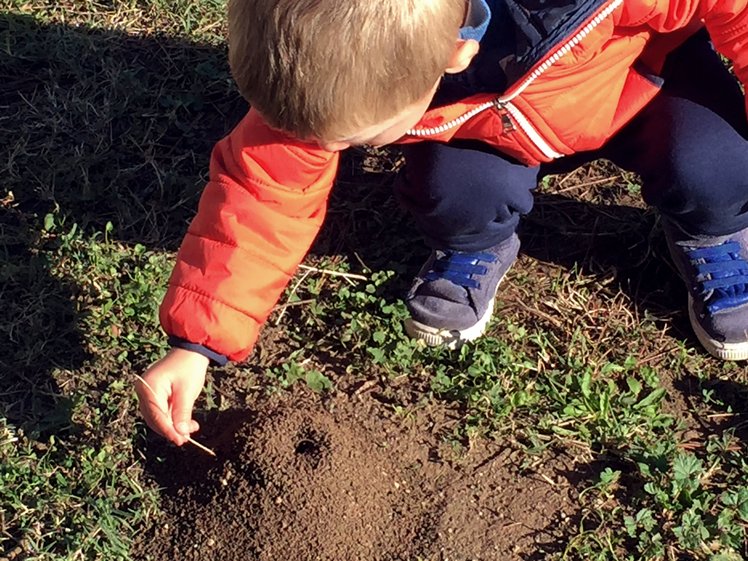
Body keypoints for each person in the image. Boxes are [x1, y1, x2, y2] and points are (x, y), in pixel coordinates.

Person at [135, 0, 748, 446]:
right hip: (485, 129)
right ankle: (476, 243)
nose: (341, 154)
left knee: (718, 168)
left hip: (636, 78)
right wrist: (197, 344)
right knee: (452, 193)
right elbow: (264, 189)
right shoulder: (327, 62)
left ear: (456, 51)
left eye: (359, 140)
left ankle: (711, 230)